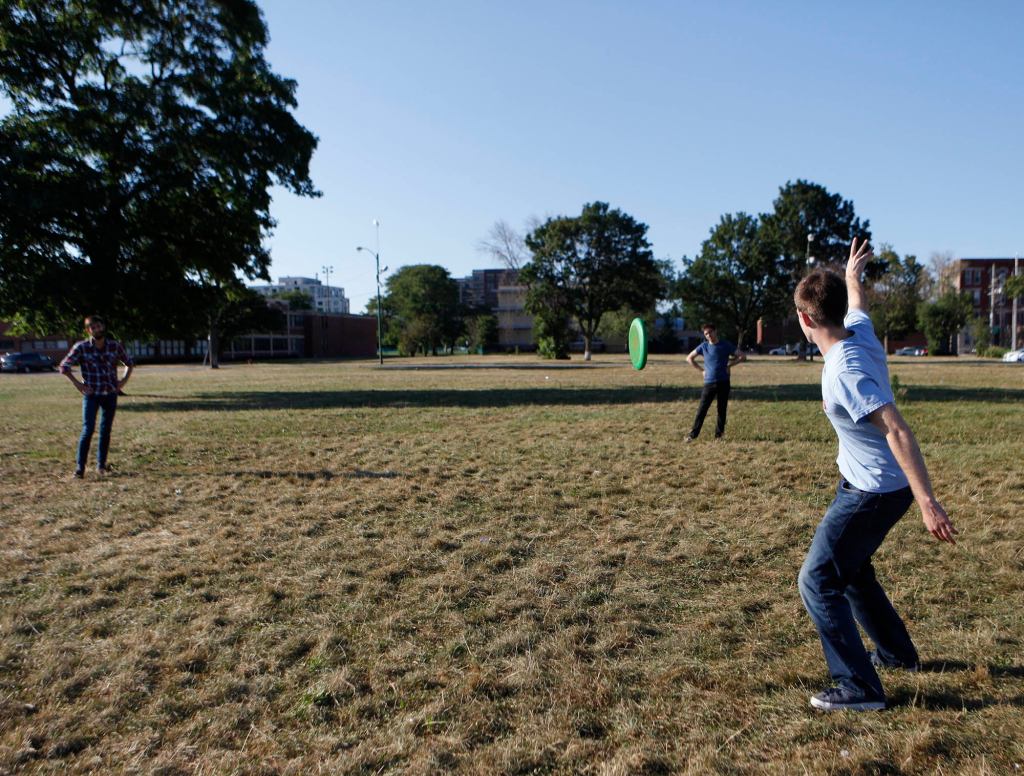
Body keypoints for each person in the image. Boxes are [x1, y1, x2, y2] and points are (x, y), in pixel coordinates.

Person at [795, 238, 957, 712]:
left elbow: (896, 429)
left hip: (874, 491)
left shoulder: (846, 368)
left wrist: (929, 501)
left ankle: (860, 688)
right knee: (852, 571)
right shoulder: (858, 333)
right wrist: (852, 275)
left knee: (818, 579)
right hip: (873, 484)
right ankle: (896, 655)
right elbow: (859, 304)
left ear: (806, 319)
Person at [59, 315, 134, 478]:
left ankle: (101, 465)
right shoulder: (81, 347)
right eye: (93, 327)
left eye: (99, 326)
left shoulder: (114, 346)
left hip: (110, 395)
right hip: (91, 396)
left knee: (105, 430)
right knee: (88, 430)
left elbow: (129, 362)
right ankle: (80, 468)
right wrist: (78, 384)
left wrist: (122, 381)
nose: (97, 329)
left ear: (103, 327)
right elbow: (64, 367)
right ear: (88, 330)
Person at [685, 323, 746, 440]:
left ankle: (719, 436)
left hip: (723, 382)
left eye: (710, 332)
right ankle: (692, 435)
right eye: (706, 334)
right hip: (709, 383)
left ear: (715, 331)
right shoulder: (703, 346)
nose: (709, 335)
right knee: (702, 410)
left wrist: (730, 365)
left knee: (721, 410)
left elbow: (742, 356)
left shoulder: (726, 345)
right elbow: (689, 358)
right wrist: (701, 370)